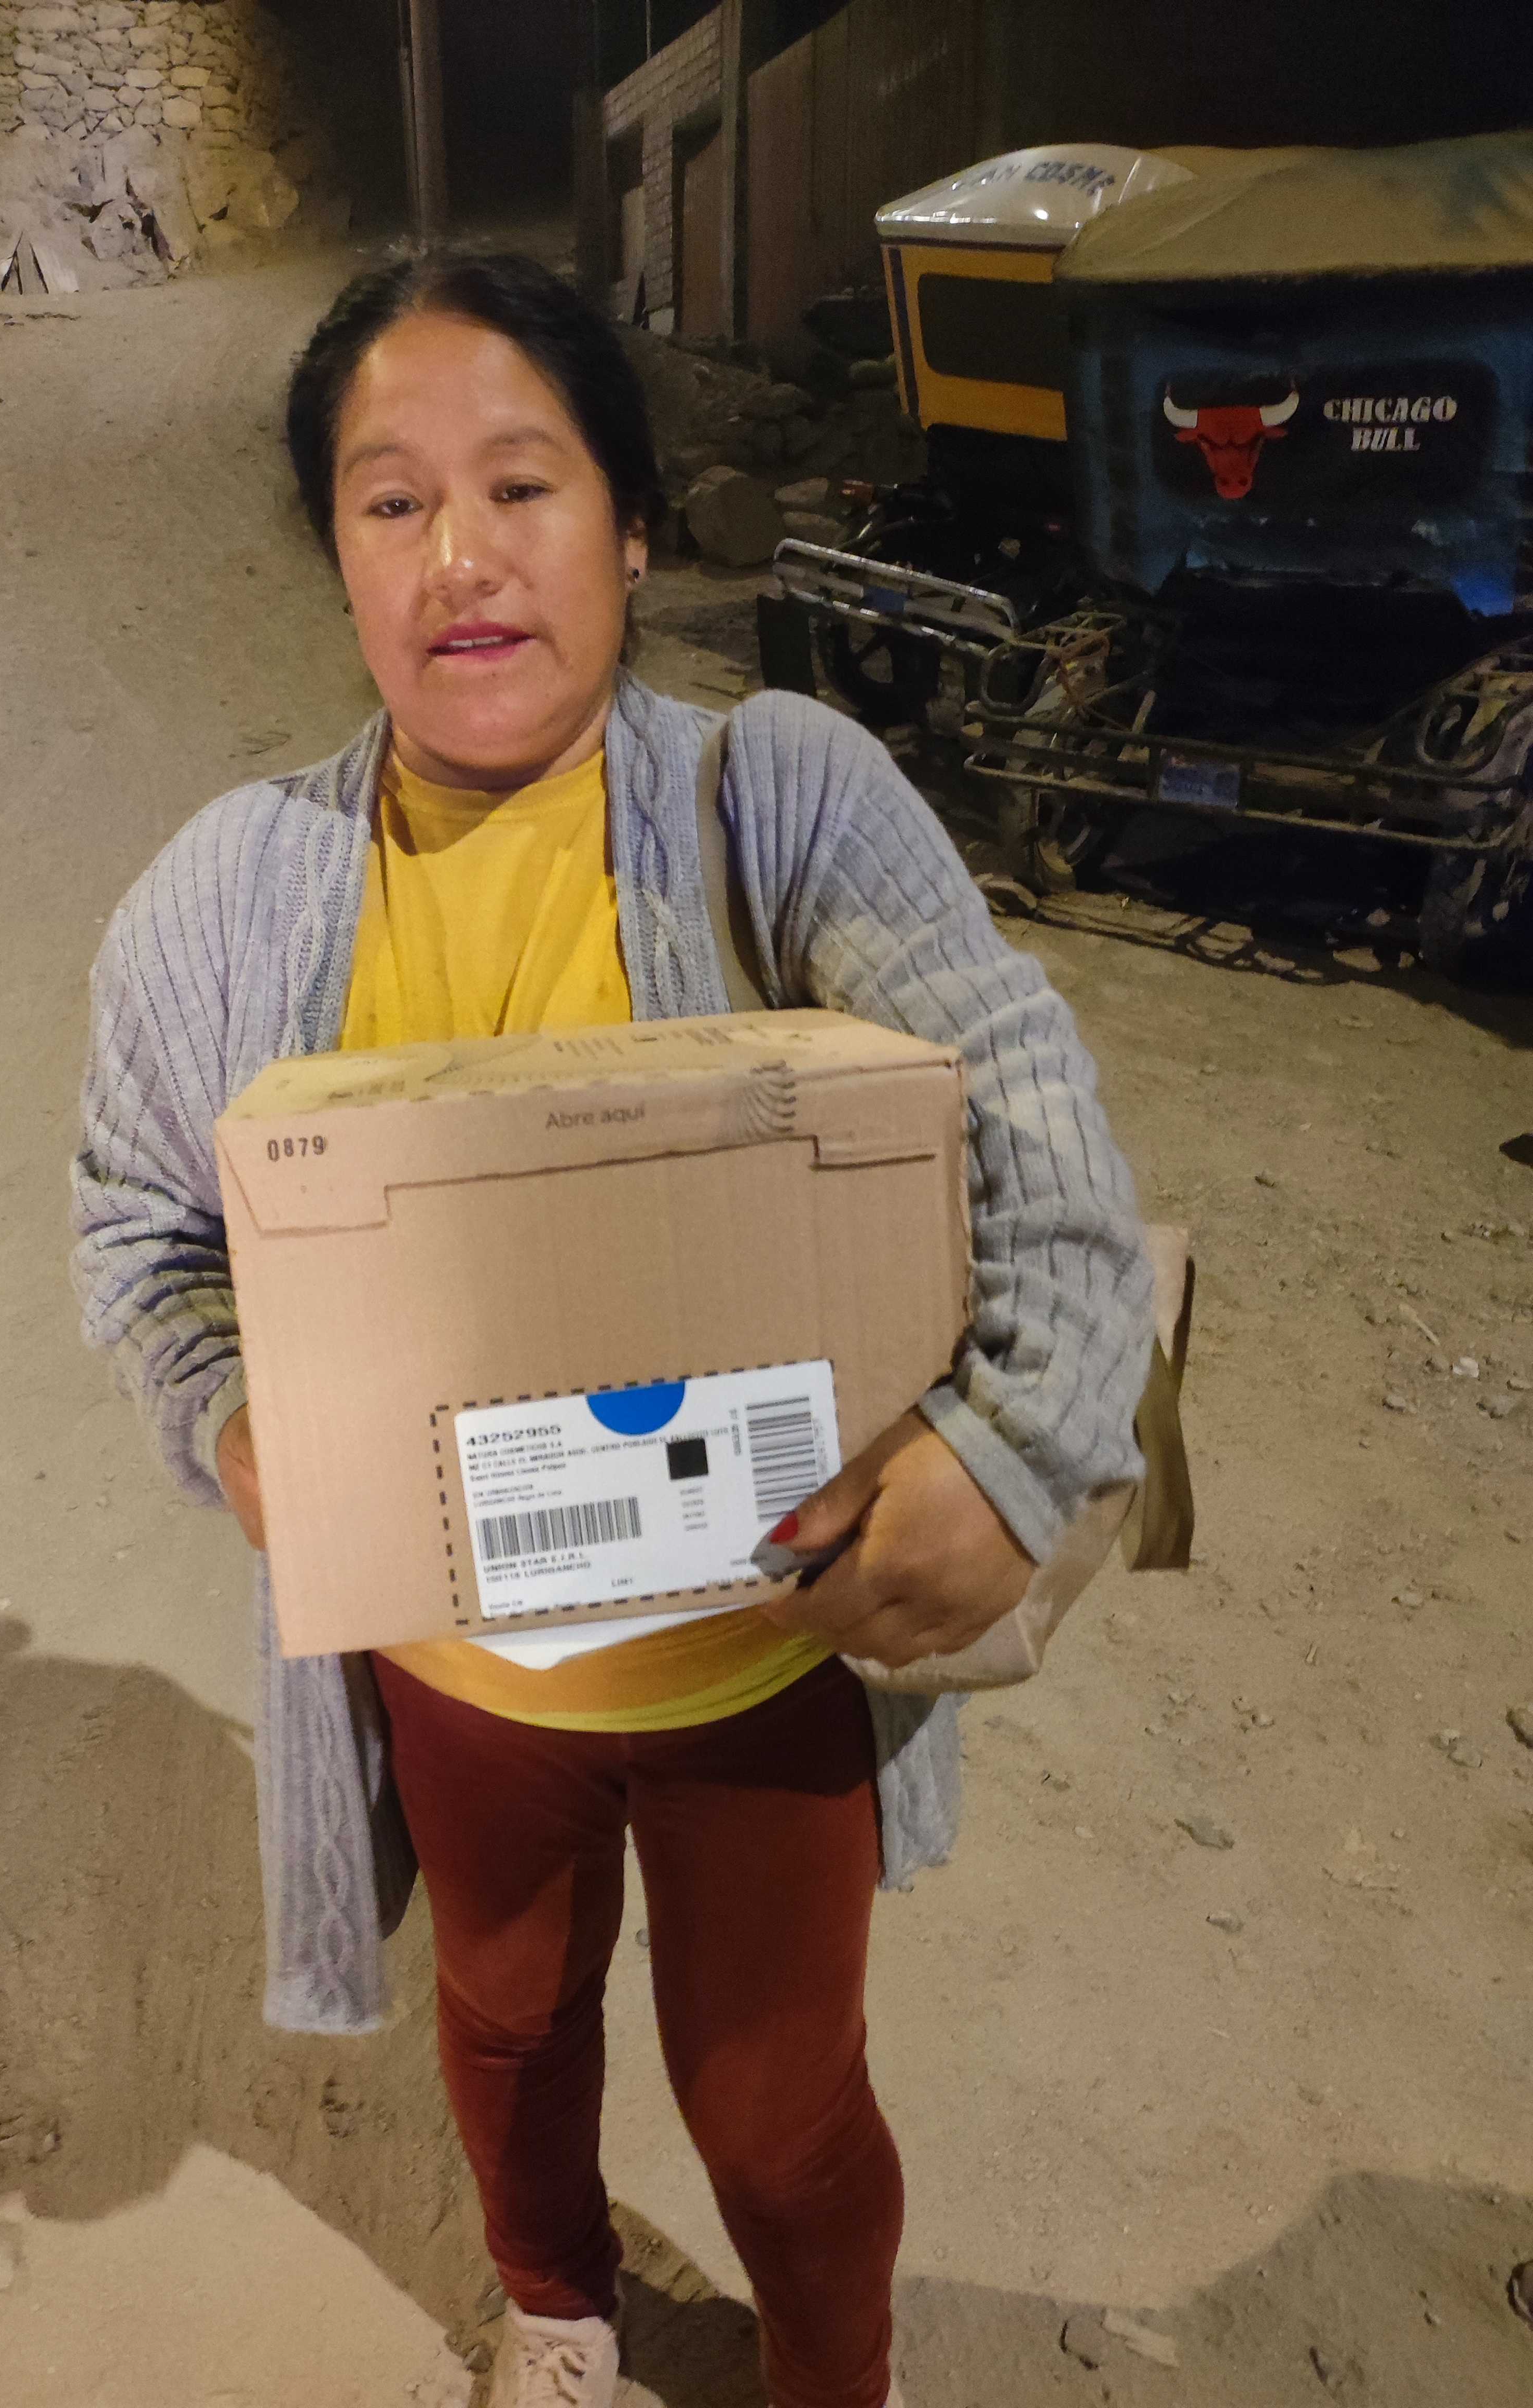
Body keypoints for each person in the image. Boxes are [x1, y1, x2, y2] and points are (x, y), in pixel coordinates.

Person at [71, 252, 1152, 2408]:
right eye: (392, 501)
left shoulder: (785, 801)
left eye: (523, 484)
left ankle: (834, 2378)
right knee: (503, 2011)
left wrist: (1016, 1448)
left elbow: (1034, 1131)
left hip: (764, 1655)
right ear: (338, 552)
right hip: (462, 1679)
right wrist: (232, 1421)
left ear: (633, 524)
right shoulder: (225, 896)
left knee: (778, 2113)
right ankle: (554, 2302)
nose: (459, 557)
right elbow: (138, 1231)